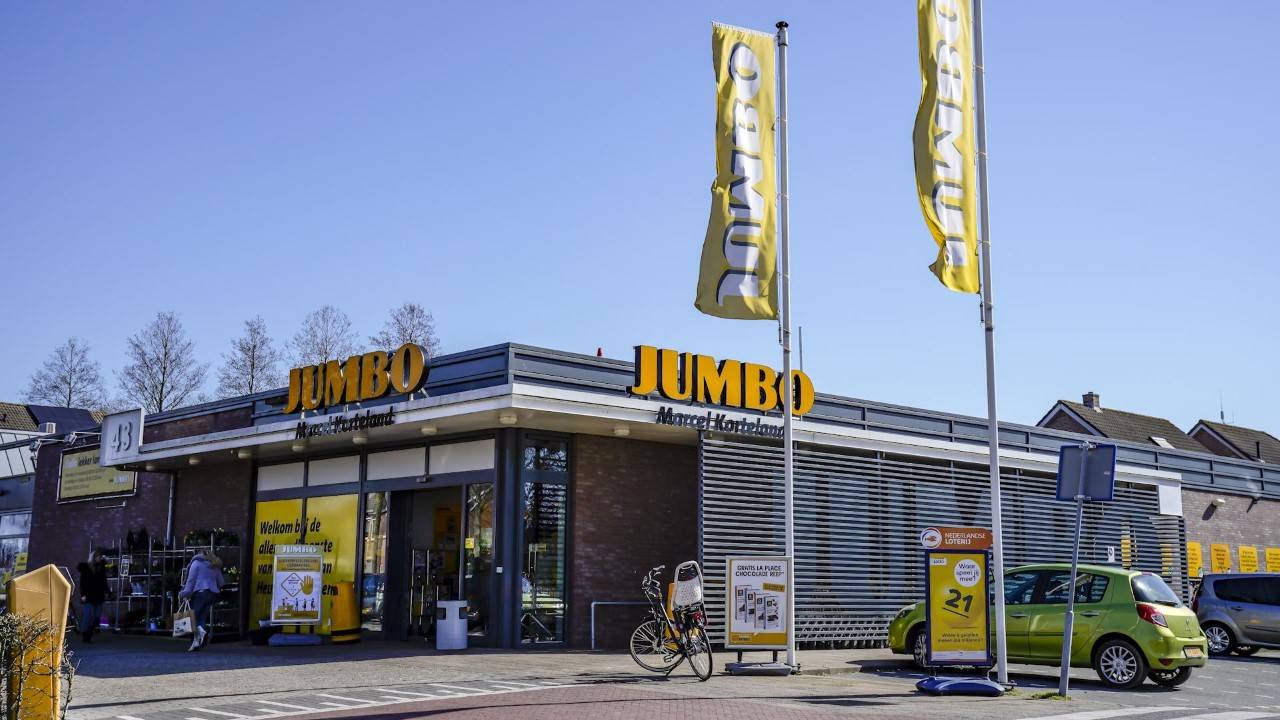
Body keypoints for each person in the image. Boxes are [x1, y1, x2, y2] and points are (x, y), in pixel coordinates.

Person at [178, 551, 224, 652]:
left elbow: (191, 581)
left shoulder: (196, 563)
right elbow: (221, 582)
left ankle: (201, 632)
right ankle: (196, 643)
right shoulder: (214, 565)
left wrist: (184, 593)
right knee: (201, 617)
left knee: (192, 618)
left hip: (199, 593)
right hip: (212, 594)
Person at [77, 552, 109, 643]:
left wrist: (107, 592)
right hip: (89, 595)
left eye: (100, 557)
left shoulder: (101, 568)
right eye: (98, 557)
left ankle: (89, 633)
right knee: (88, 616)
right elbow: (82, 583)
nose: (99, 558)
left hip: (98, 595)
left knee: (96, 616)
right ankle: (85, 635)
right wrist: (83, 595)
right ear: (94, 558)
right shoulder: (86, 568)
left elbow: (103, 581)